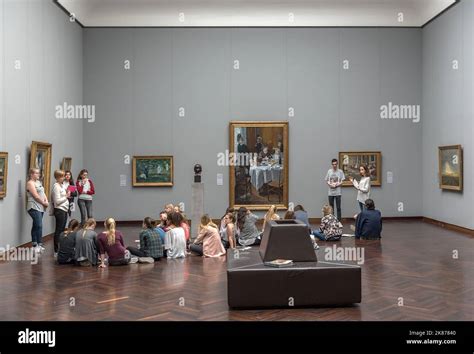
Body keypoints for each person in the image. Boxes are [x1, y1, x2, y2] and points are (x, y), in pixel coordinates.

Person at [26, 168, 49, 253]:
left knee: (36, 225)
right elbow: (36, 196)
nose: (38, 175)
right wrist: (44, 203)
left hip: (41, 206)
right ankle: (36, 245)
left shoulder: (38, 182)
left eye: (38, 173)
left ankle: (37, 244)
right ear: (31, 174)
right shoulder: (30, 183)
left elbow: (43, 193)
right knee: (39, 225)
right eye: (36, 173)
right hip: (33, 206)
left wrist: (46, 200)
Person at [51, 170, 71, 257]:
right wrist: (66, 196)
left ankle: (61, 249)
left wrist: (67, 194)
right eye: (62, 176)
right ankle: (56, 251)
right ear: (58, 177)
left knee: (62, 230)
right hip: (59, 210)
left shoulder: (61, 185)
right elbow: (57, 201)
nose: (64, 178)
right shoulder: (56, 187)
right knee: (58, 231)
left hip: (64, 210)